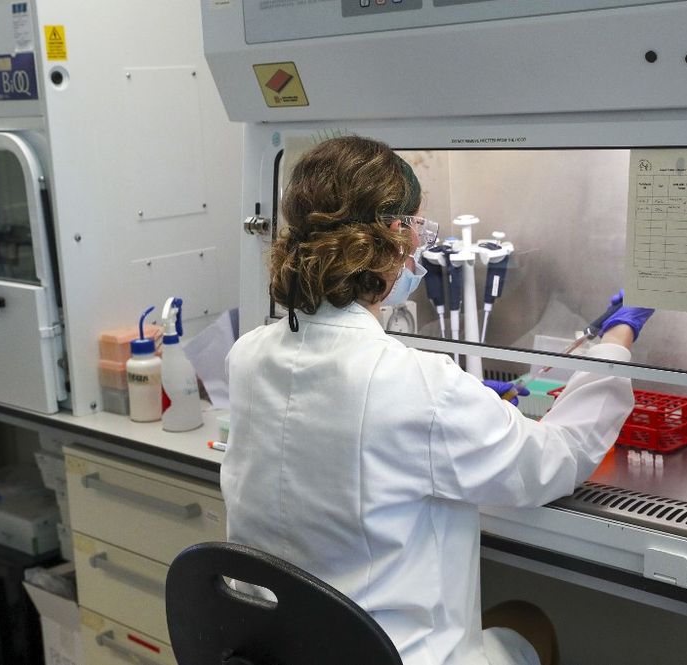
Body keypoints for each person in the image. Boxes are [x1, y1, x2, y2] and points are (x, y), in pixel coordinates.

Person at [221, 136, 653, 665]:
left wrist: (465, 409)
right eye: (420, 230)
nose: (422, 250)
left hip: (283, 655)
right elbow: (551, 461)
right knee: (529, 622)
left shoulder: (247, 356)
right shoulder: (415, 385)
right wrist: (614, 347)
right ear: (394, 240)